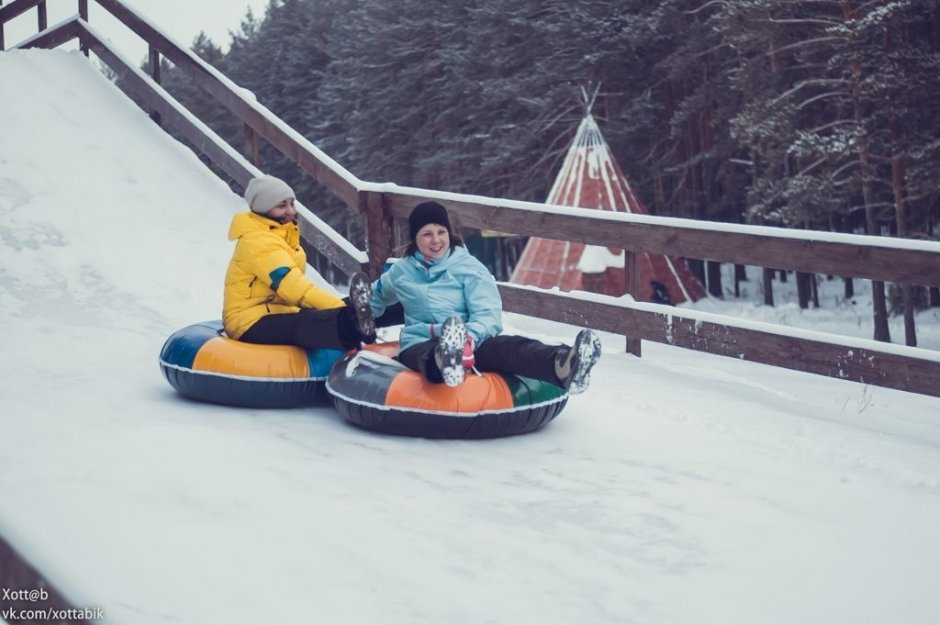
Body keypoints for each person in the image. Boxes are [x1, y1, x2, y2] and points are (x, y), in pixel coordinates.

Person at [369, 201, 602, 393]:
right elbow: (378, 295)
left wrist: (469, 338)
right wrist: (364, 310)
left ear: (449, 233)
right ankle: (445, 361)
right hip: (419, 340)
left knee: (510, 348)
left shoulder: (468, 267)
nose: (436, 240)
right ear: (415, 238)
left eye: (441, 232)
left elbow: (488, 313)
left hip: (470, 339)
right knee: (422, 355)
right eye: (427, 234)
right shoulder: (401, 271)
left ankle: (565, 364)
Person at [222, 175, 377, 351]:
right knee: (310, 323)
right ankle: (356, 326)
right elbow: (294, 288)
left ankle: (373, 316)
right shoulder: (259, 242)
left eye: (291, 203)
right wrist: (341, 310)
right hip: (246, 320)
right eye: (281, 206)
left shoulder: (283, 235)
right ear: (263, 209)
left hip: (275, 311)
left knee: (332, 311)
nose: (290, 211)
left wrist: (344, 308)